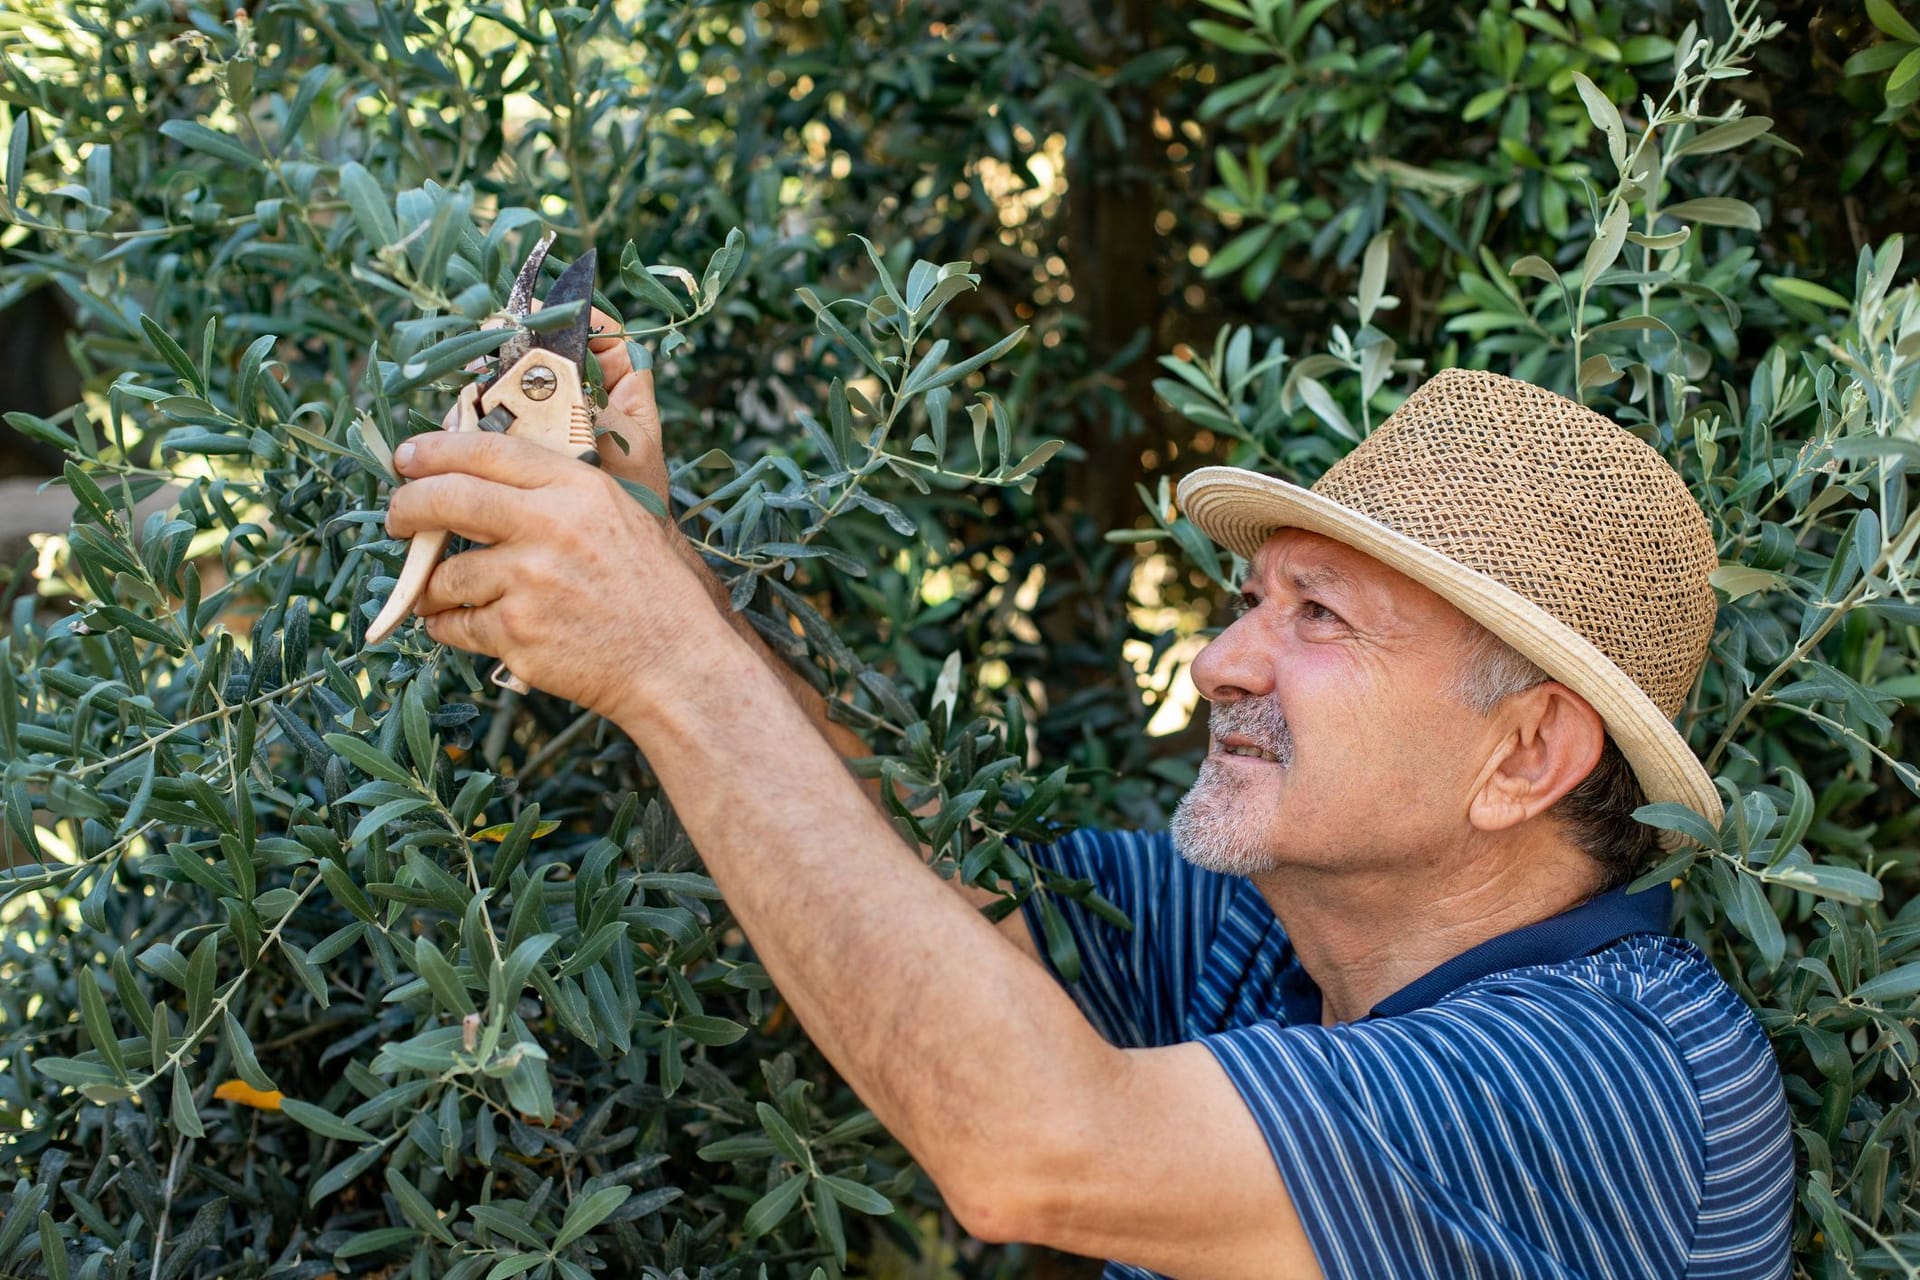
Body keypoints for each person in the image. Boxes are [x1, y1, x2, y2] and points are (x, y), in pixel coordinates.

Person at [381, 320, 1794, 1279]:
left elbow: (1029, 1145)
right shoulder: (1270, 940)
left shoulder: (1627, 1080)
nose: (1221, 658)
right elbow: (910, 875)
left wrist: (666, 663)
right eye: (1251, 600)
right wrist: (657, 552)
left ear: (1526, 758)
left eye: (1318, 618)